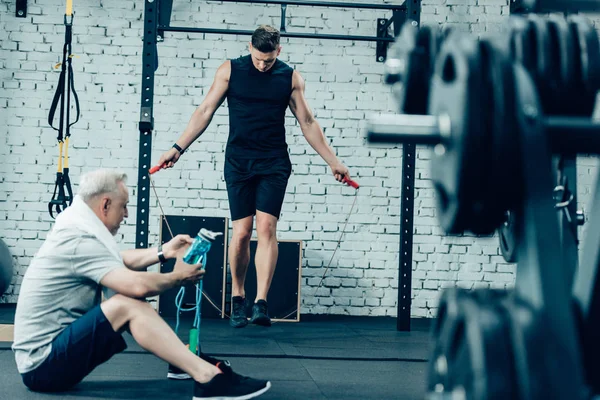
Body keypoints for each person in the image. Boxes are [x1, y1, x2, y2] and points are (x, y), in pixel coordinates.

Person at [11, 169, 271, 400]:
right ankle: (207, 378)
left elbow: (117, 259)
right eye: (123, 206)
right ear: (105, 204)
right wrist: (178, 277)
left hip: (52, 357)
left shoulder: (80, 227)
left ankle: (183, 362)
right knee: (127, 303)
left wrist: (164, 251)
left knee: (126, 300)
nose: (125, 214)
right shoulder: (78, 238)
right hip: (42, 368)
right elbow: (136, 286)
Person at [158, 25, 352, 328]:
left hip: (273, 162)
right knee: (242, 233)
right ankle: (238, 298)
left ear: (279, 51)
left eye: (269, 60)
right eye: (259, 59)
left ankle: (261, 302)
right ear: (250, 48)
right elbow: (205, 109)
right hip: (238, 162)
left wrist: (333, 162)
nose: (263, 65)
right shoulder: (230, 71)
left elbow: (308, 122)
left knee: (267, 228)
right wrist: (177, 147)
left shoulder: (290, 77)